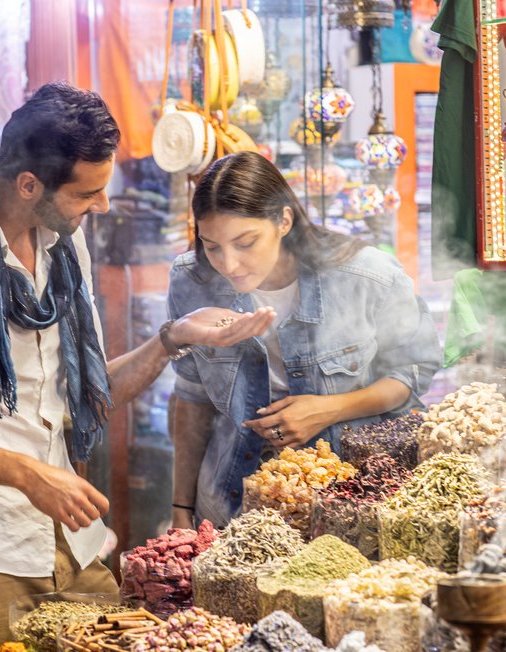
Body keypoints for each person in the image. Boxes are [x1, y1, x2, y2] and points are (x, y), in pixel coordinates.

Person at [0, 83, 272, 651]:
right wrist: (27, 473)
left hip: (69, 547)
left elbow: (87, 392)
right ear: (29, 184)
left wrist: (172, 340)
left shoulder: (62, 246)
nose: (101, 206)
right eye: (87, 194)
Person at [167, 151, 442, 529]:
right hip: (230, 503)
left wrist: (330, 408)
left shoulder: (365, 276)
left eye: (245, 242)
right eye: (212, 246)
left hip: (351, 499)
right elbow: (192, 399)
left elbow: (410, 374)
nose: (228, 264)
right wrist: (181, 507)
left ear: (283, 219)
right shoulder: (191, 281)